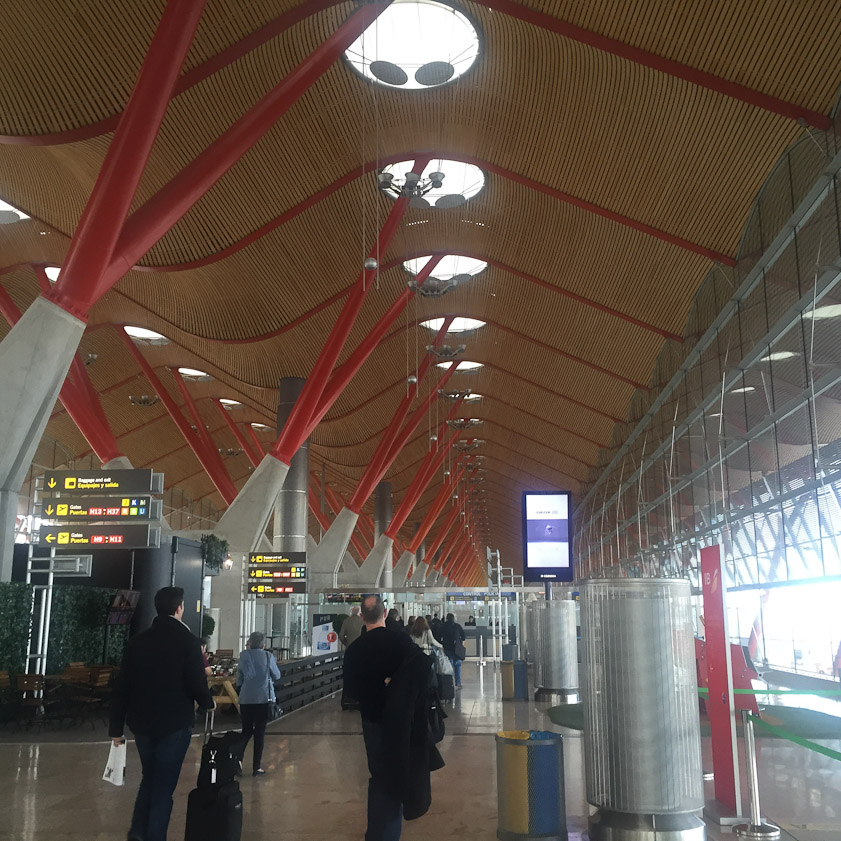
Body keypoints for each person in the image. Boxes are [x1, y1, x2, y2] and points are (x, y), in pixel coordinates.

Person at [109, 586, 214, 841]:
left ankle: (137, 830)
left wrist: (116, 729)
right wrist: (207, 703)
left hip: (142, 724)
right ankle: (154, 835)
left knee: (150, 777)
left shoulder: (138, 642)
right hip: (174, 723)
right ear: (179, 608)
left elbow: (123, 686)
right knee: (164, 785)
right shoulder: (188, 642)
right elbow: (197, 682)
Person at [343, 595, 419, 841]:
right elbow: (420, 673)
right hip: (401, 720)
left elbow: (351, 691)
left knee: (379, 775)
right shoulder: (401, 641)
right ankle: (389, 831)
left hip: (372, 720)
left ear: (362, 617)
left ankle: (377, 832)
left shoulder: (355, 650)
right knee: (398, 773)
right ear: (384, 613)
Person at [236, 631, 281, 776]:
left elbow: (239, 679)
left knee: (246, 731)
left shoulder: (243, 656)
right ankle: (256, 767)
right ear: (263, 644)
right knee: (259, 732)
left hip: (246, 699)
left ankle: (237, 761)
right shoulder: (268, 656)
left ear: (250, 642)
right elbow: (277, 675)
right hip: (263, 699)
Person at [441, 613, 466, 689]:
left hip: (447, 648)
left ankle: (451, 683)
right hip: (457, 649)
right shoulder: (457, 626)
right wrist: (460, 641)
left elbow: (439, 636)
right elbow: (463, 636)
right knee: (458, 665)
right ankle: (458, 683)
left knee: (450, 665)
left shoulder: (443, 626)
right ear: (453, 619)